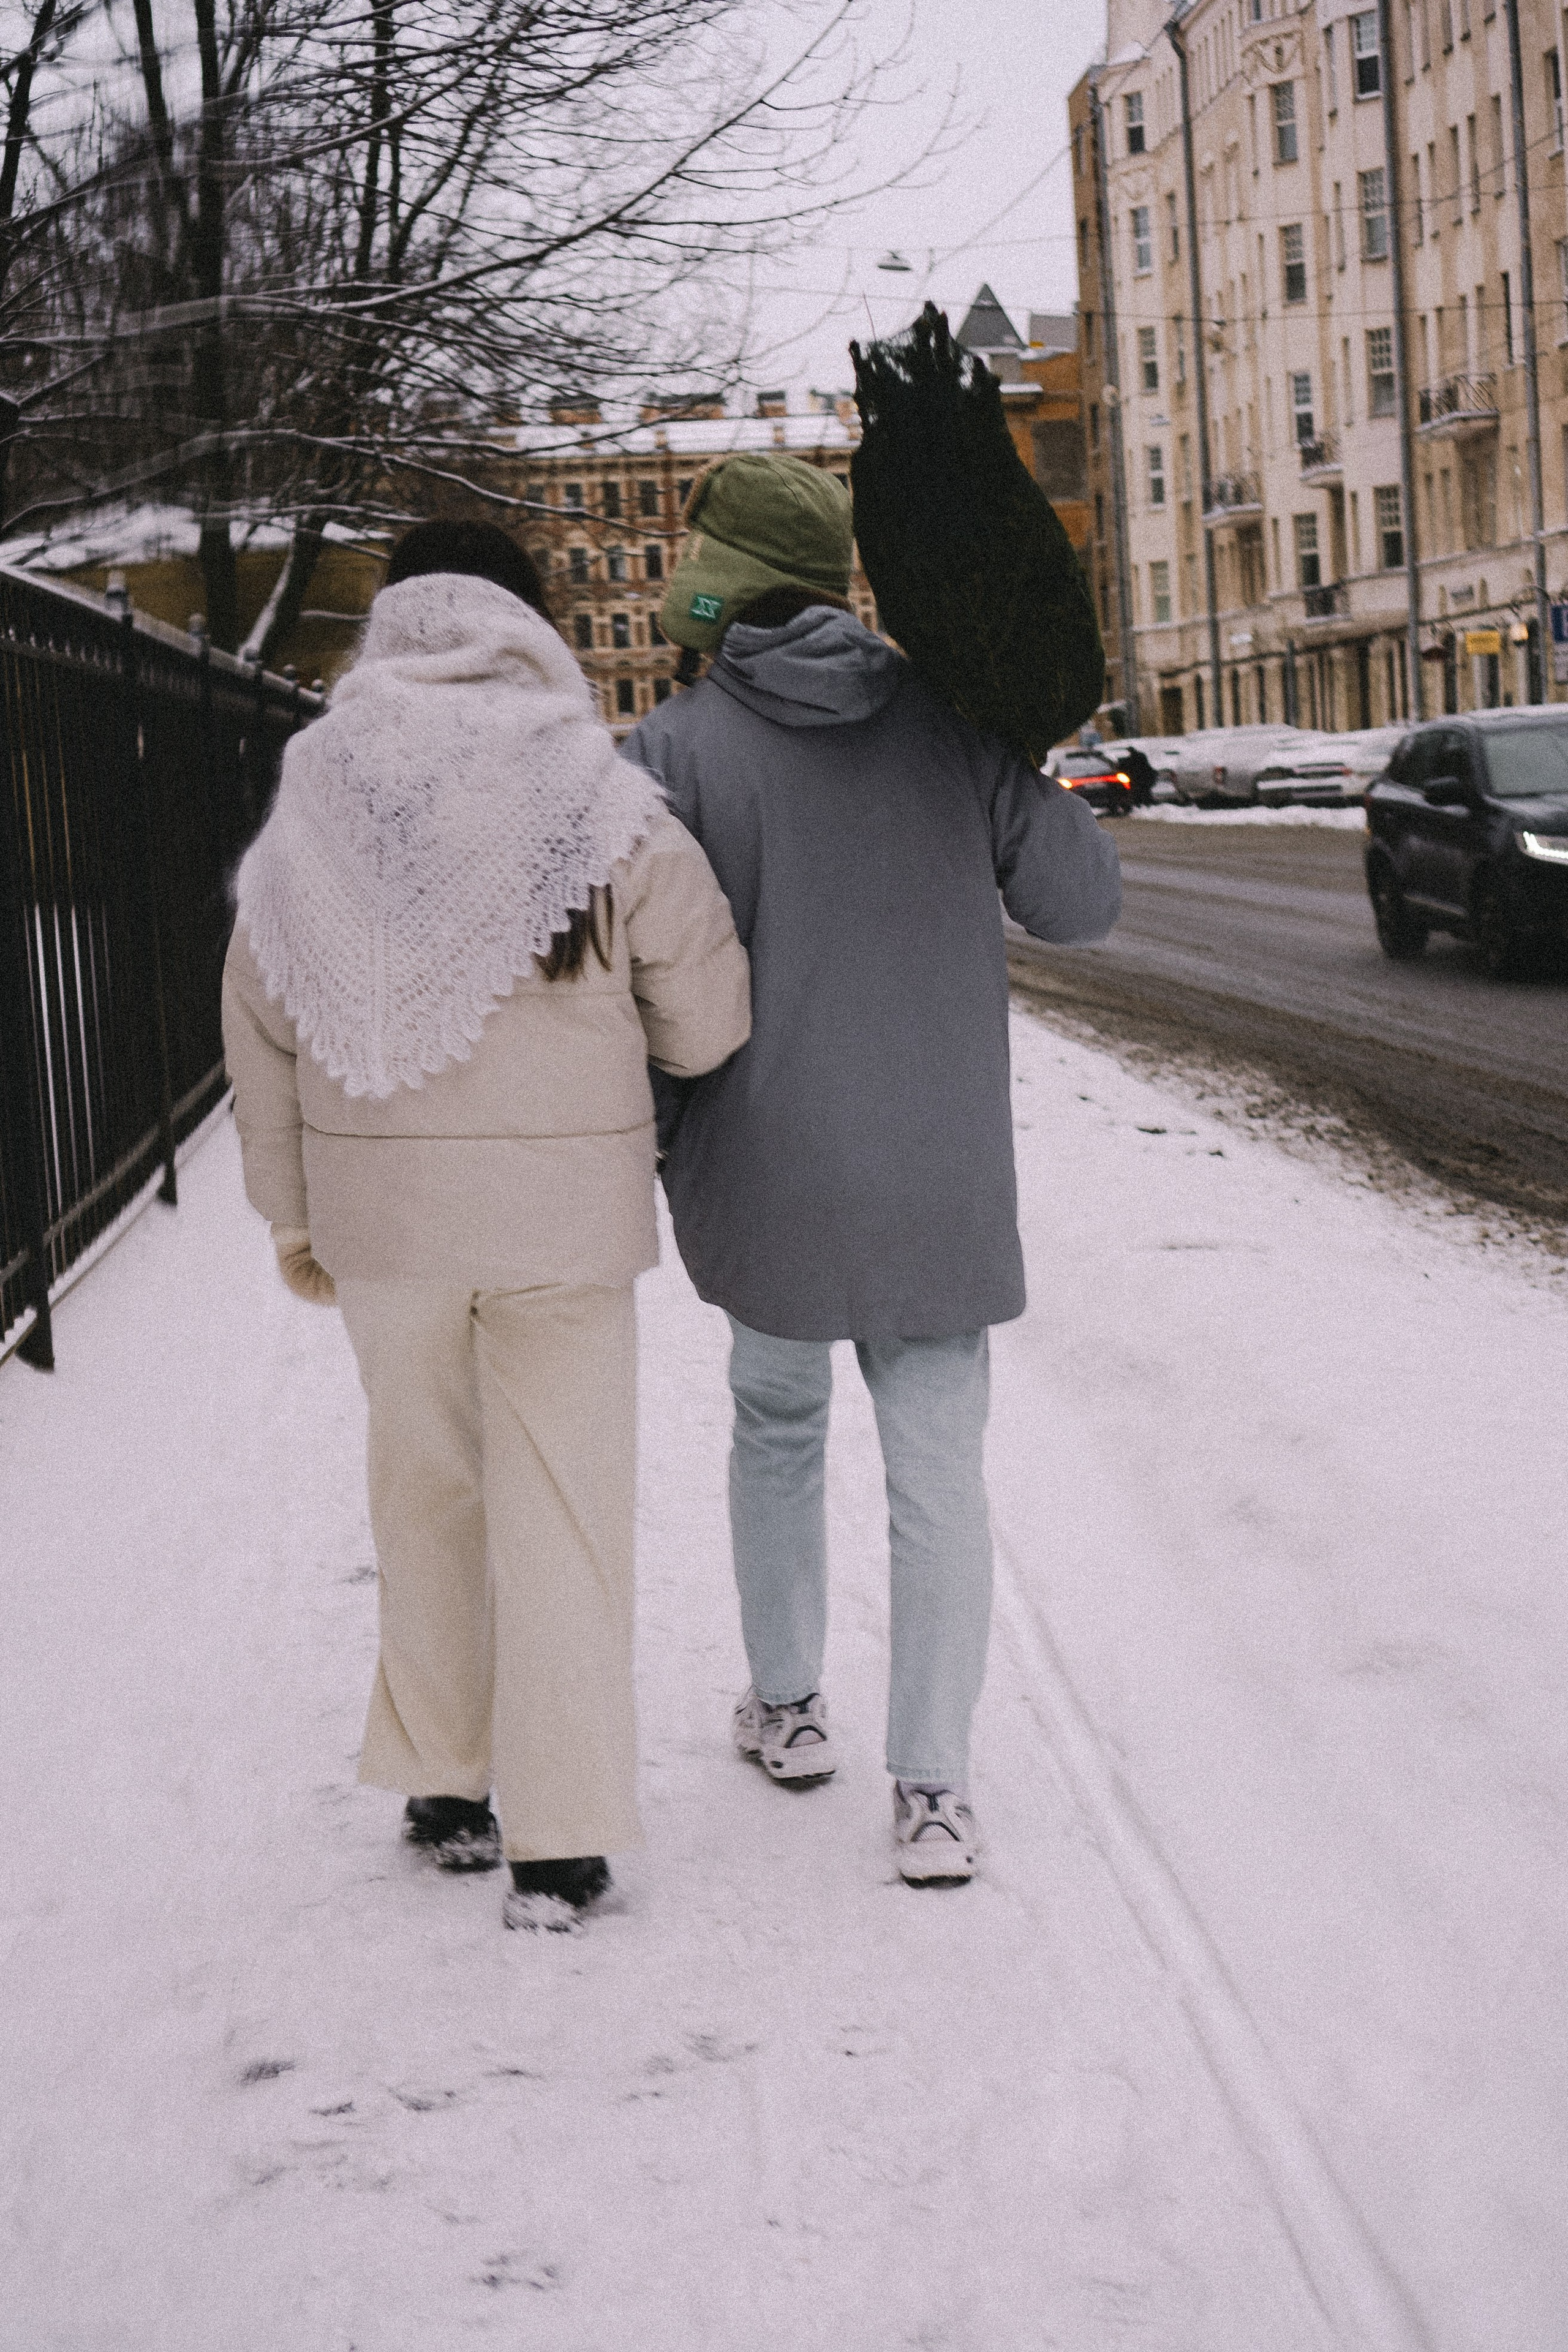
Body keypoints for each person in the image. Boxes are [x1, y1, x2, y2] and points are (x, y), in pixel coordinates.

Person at [222, 519, 750, 1928]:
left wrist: (291, 1209)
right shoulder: (598, 790)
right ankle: (562, 1834)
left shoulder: (320, 787)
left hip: (383, 1219)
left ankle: (446, 1779)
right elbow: (703, 1020)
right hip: (562, 1227)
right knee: (561, 1512)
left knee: (425, 1494)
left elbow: (262, 1010)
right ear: (528, 624)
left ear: (393, 620)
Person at [625, 452, 1120, 1887]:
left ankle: (785, 1709)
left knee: (774, 1429)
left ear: (716, 579)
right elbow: (1080, 907)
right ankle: (934, 1795)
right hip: (937, 1182)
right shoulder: (956, 725)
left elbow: (632, 979)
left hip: (764, 1171)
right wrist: (1013, 755)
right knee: (937, 1480)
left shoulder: (665, 756)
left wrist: (654, 1140)